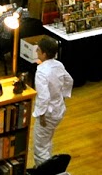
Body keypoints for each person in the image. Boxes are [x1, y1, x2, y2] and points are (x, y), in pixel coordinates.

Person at [31, 35, 72, 167]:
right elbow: (69, 81)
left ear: (44, 53)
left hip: (47, 114)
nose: (36, 52)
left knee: (39, 148)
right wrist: (63, 98)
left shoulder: (41, 71)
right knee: (47, 141)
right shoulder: (58, 65)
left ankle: (44, 170)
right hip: (58, 110)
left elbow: (44, 96)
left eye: (38, 50)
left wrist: (41, 114)